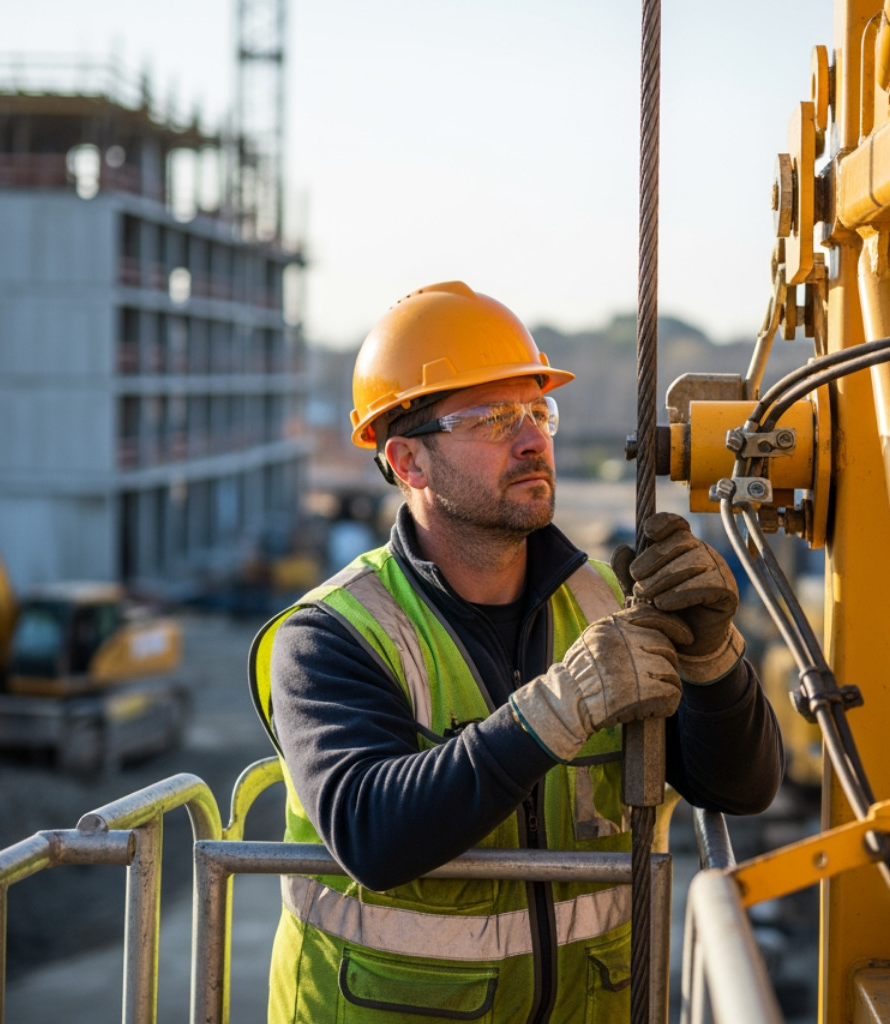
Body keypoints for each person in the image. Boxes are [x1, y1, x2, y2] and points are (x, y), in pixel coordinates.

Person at [249, 280, 783, 1024]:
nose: (533, 439)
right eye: (494, 418)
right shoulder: (334, 635)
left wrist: (711, 659)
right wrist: (560, 707)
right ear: (409, 462)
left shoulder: (611, 602)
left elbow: (743, 788)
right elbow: (372, 832)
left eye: (538, 411)